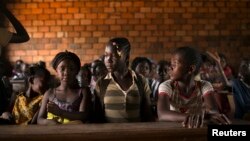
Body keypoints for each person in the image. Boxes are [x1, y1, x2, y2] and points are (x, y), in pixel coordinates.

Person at [157, 46, 231, 128]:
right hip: (174, 129)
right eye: (171, 64)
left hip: (196, 128)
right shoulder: (167, 86)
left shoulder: (204, 86)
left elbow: (213, 111)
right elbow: (162, 114)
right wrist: (193, 116)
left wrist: (208, 113)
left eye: (174, 64)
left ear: (191, 69)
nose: (170, 68)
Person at [93, 37, 154, 123]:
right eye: (106, 55)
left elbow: (147, 115)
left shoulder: (140, 81)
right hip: (110, 135)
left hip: (136, 134)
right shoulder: (102, 83)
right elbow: (97, 117)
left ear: (126, 57)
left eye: (114, 56)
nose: (108, 60)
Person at [37, 51, 91, 125]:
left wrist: (60, 112)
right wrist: (50, 122)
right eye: (62, 69)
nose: (66, 73)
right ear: (56, 70)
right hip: (54, 133)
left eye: (71, 69)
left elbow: (83, 116)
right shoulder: (50, 93)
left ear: (77, 71)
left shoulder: (83, 92)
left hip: (75, 134)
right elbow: (39, 119)